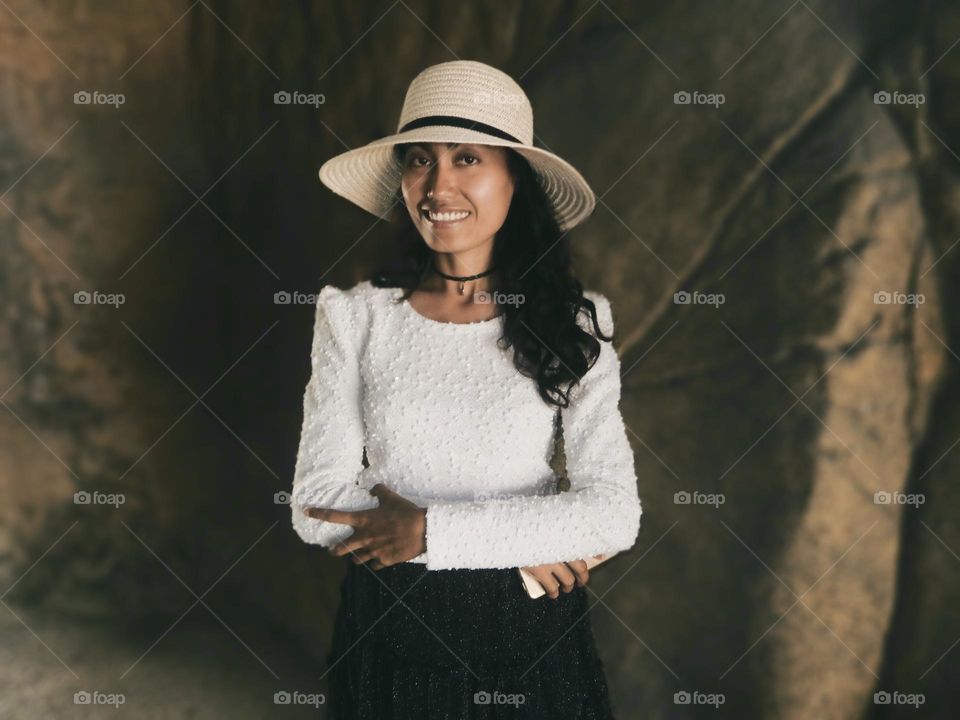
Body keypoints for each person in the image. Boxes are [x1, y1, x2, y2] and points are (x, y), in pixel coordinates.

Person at [291, 59, 642, 719]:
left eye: (468, 158)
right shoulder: (355, 315)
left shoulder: (576, 323)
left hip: (530, 637)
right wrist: (534, 536)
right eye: (420, 160)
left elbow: (614, 513)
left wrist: (427, 532)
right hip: (388, 633)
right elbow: (314, 504)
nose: (438, 184)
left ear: (516, 181)